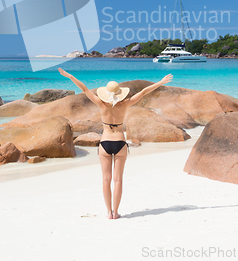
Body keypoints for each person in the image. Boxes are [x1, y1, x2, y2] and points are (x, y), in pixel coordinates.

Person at [58, 68, 173, 219]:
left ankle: (108, 212)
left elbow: (84, 89)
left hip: (105, 143)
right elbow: (144, 92)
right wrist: (160, 82)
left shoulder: (101, 103)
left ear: (106, 93)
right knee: (118, 179)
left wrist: (70, 76)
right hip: (120, 142)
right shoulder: (125, 104)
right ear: (119, 93)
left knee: (106, 179)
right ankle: (116, 212)